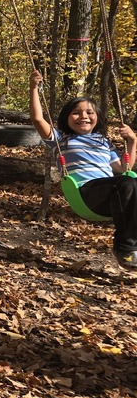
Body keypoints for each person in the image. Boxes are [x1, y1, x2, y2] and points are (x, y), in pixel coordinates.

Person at [29, 68, 137, 266]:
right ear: (67, 117)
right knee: (127, 183)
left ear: (97, 116)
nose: (83, 117)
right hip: (85, 193)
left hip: (111, 194)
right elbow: (37, 119)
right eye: (76, 113)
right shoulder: (61, 139)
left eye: (89, 112)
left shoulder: (103, 142)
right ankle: (126, 247)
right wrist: (34, 87)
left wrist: (132, 140)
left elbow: (124, 167)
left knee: (130, 182)